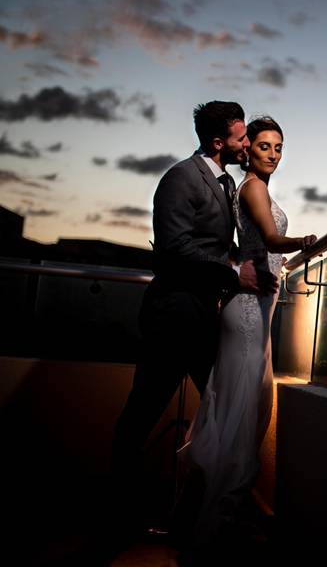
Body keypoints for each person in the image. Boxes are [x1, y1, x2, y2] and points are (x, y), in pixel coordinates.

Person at [110, 101, 273, 537]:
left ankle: (199, 511)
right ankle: (117, 515)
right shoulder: (182, 177)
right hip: (173, 317)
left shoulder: (224, 184)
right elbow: (174, 247)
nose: (246, 143)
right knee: (142, 415)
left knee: (219, 413)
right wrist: (235, 272)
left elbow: (213, 243)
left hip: (204, 318)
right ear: (219, 142)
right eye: (242, 138)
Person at [179, 115, 316, 555]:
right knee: (239, 416)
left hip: (259, 308)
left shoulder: (256, 188)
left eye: (278, 147)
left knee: (247, 411)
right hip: (246, 314)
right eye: (263, 146)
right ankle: (215, 523)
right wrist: (303, 242)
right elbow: (273, 240)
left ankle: (218, 513)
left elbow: (258, 247)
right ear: (247, 151)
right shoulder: (253, 188)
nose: (273, 154)